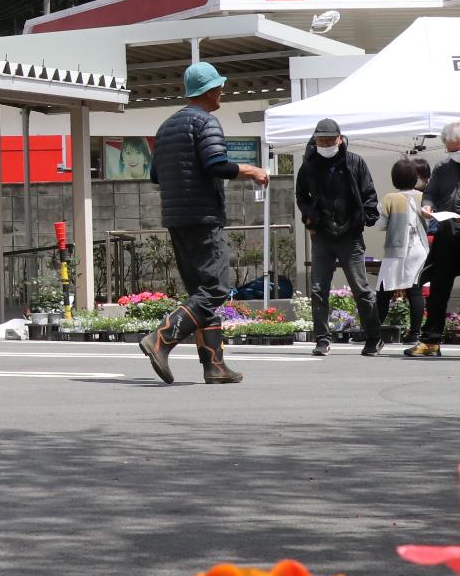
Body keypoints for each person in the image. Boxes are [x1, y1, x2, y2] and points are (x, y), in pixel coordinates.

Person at [139, 61, 270, 385]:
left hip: (176, 218)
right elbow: (216, 165)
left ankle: (214, 365)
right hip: (202, 217)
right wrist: (252, 170)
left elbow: (155, 175)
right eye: (219, 87)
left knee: (201, 292)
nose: (222, 92)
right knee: (214, 289)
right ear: (208, 91)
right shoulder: (205, 122)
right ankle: (160, 339)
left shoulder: (167, 127)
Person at [295, 117, 381, 357]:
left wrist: (364, 219)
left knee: (361, 289)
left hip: (350, 235)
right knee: (317, 288)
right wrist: (310, 217)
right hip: (322, 233)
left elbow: (369, 194)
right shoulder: (309, 164)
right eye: (320, 140)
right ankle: (322, 339)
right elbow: (301, 195)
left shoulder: (355, 162)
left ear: (340, 139)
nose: (325, 144)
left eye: (329, 140)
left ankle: (374, 337)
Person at [410, 123, 460, 359]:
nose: (454, 153)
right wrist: (427, 206)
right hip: (445, 233)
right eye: (450, 149)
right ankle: (431, 341)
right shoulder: (442, 166)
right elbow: (431, 192)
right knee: (438, 289)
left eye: (458, 148)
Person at [373, 157, 429, 350]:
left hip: (396, 248)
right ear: (415, 177)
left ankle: (374, 332)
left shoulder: (390, 198)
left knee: (384, 290)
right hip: (419, 248)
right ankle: (414, 333)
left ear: (395, 178)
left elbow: (379, 224)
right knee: (415, 290)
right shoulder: (425, 196)